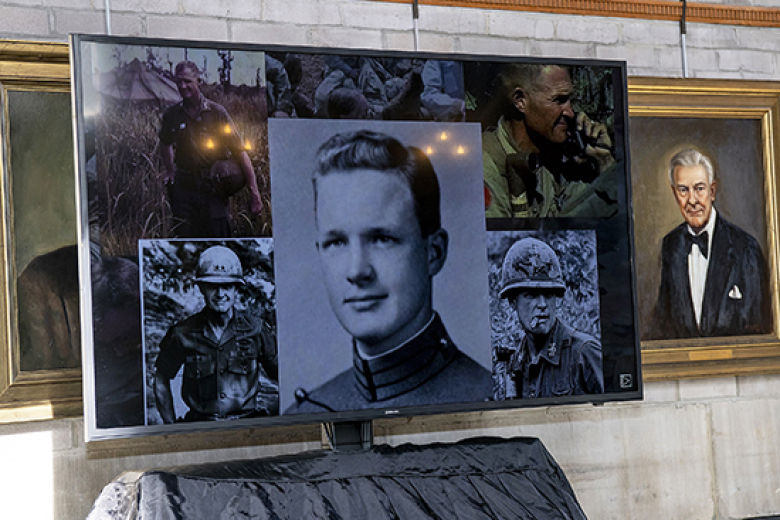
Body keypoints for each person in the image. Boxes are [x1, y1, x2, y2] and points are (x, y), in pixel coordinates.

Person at [287, 130, 492, 413]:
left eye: (382, 238)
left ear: (434, 253)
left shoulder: (487, 399)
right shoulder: (307, 413)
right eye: (336, 242)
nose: (357, 271)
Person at [650, 149, 770, 339]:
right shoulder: (671, 245)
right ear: (674, 193)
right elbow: (663, 322)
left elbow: (759, 326)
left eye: (699, 188)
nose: (692, 200)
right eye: (683, 190)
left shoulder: (745, 248)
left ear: (712, 191)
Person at [154, 245, 278, 423]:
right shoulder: (182, 333)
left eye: (227, 286)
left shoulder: (257, 329)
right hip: (199, 427)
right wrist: (171, 427)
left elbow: (282, 375)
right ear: (202, 288)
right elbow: (161, 379)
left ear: (236, 289)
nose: (220, 294)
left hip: (247, 426)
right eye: (213, 286)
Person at [482, 63, 617, 218]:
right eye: (559, 100)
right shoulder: (485, 164)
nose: (570, 113)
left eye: (569, 100)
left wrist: (604, 161)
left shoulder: (555, 156)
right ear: (520, 101)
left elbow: (588, 220)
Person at [159, 61, 262, 237]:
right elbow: (165, 142)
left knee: (218, 239)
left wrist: (255, 193)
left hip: (213, 188)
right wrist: (170, 170)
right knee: (185, 243)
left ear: (198, 81)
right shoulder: (172, 115)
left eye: (187, 81)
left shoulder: (217, 113)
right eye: (178, 82)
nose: (182, 86)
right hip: (184, 189)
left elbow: (240, 152)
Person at [498, 237, 603, 399]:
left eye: (548, 294)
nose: (542, 304)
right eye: (531, 295)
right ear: (513, 301)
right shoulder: (516, 362)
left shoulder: (584, 353)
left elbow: (618, 410)